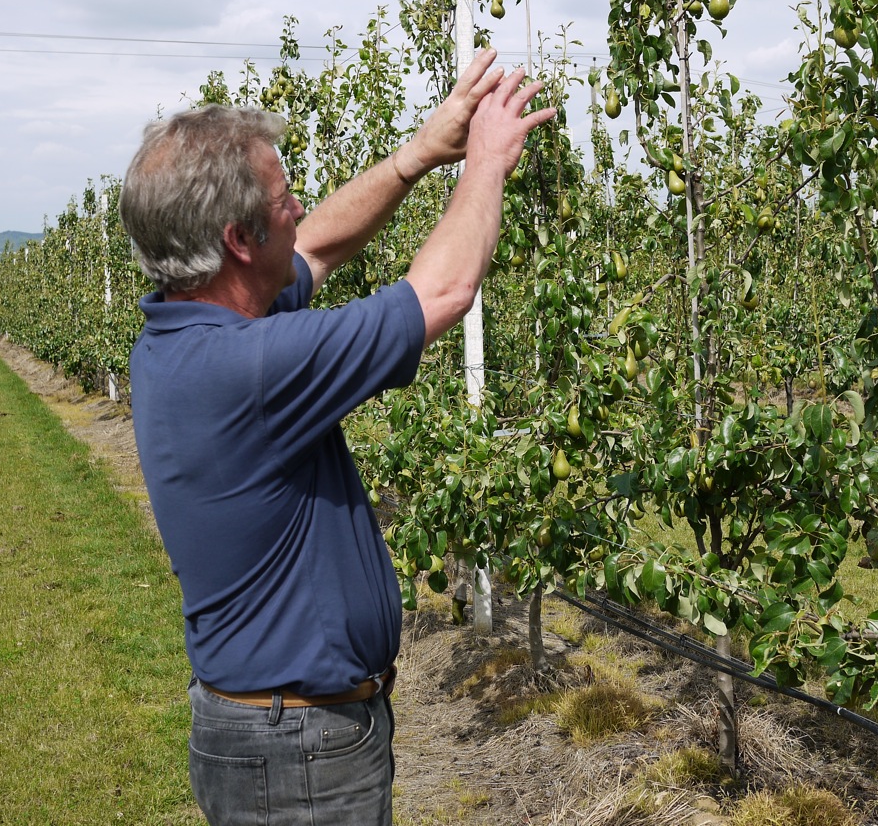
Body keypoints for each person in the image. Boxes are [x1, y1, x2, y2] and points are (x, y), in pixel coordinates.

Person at [118, 48, 554, 826]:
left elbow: (318, 244)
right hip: (297, 752)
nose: (298, 207)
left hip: (283, 733)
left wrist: (419, 154)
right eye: (284, 196)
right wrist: (484, 163)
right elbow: (443, 292)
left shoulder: (188, 332)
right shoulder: (247, 367)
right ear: (238, 238)